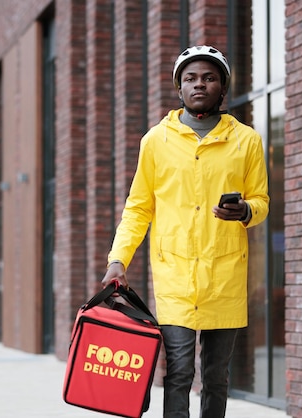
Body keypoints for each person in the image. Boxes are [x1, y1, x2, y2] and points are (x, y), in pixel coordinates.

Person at [102, 45, 269, 418]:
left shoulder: (247, 141)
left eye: (209, 78)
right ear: (179, 88)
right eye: (190, 78)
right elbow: (138, 208)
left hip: (225, 275)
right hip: (175, 276)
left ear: (222, 88)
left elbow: (261, 202)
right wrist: (118, 259)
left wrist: (245, 211)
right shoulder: (155, 141)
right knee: (177, 372)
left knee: (216, 376)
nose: (199, 85)